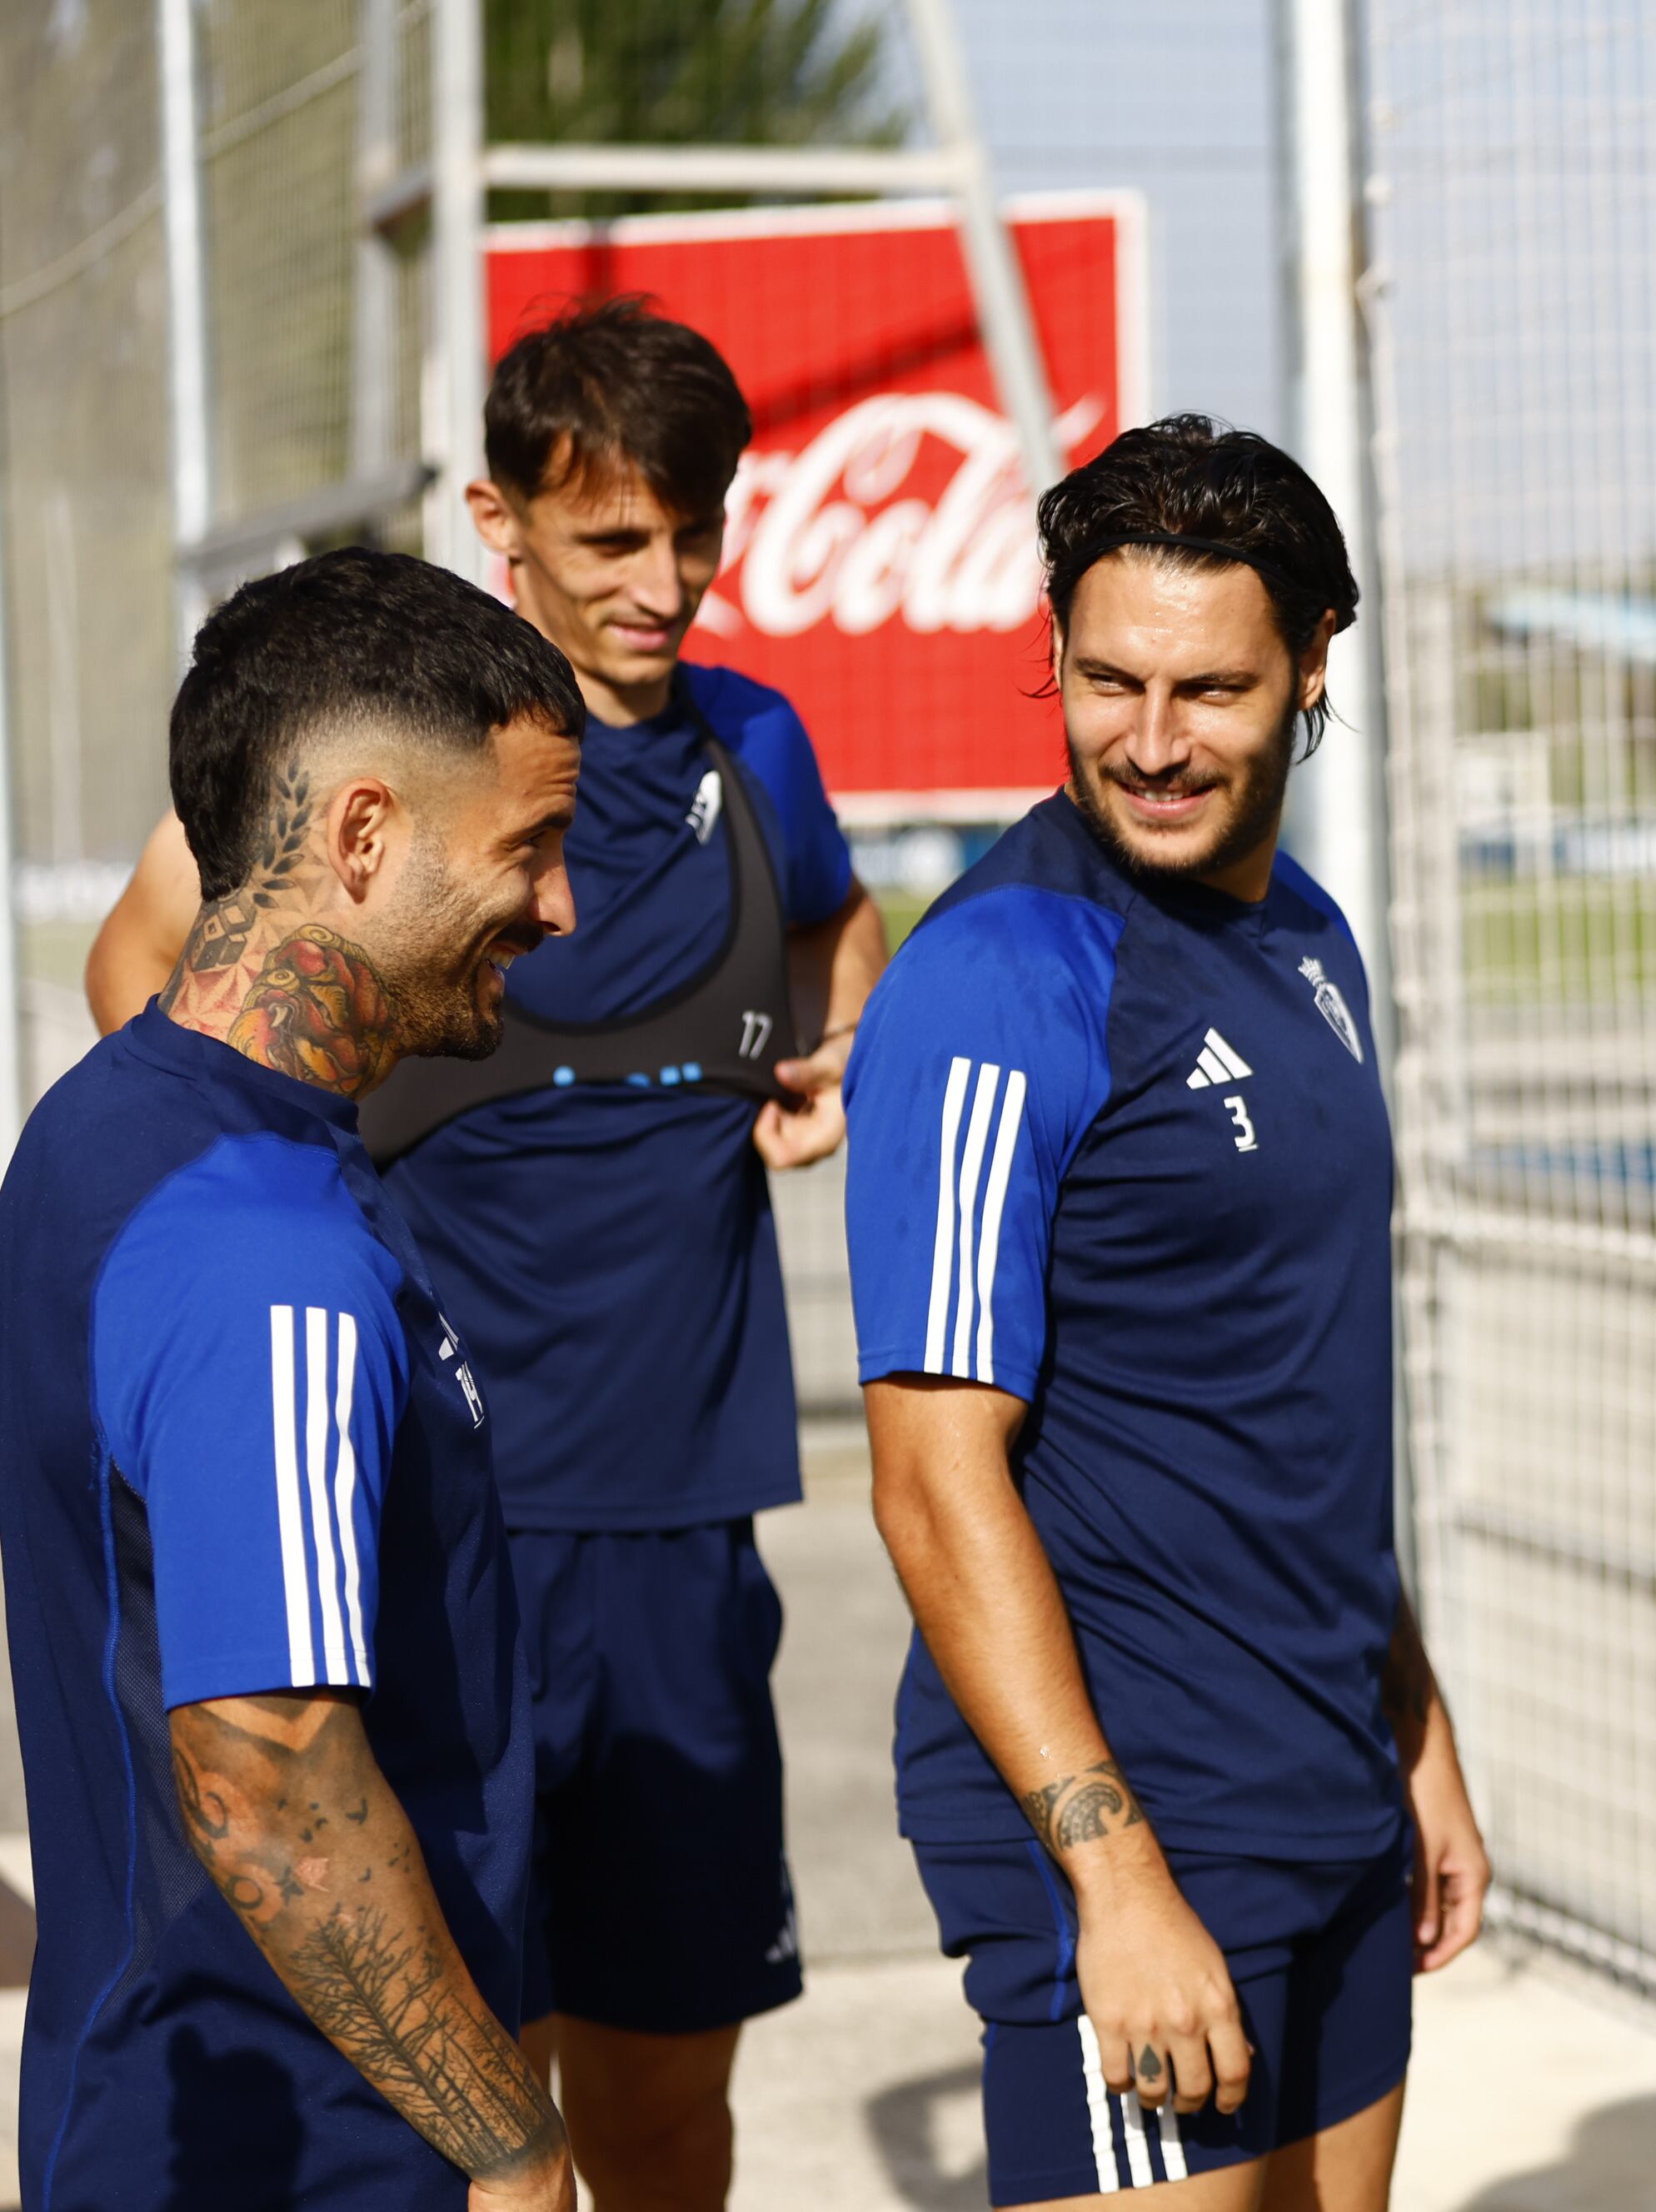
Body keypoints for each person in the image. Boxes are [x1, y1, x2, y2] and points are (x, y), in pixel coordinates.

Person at [82, 299, 887, 2211]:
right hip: (440, 1537)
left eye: (699, 531)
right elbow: (144, 973)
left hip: (683, 1532)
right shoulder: (398, 751)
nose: (667, 581)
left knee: (670, 2107)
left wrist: (814, 1064)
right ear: (497, 518)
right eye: (616, 539)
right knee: (459, 2098)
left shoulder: (757, 743)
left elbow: (837, 947)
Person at [841, 416, 1489, 2210]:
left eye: (1209, 688)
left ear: (1309, 672)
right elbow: (930, 1475)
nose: (1149, 737)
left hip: (1330, 1778)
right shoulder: (999, 977)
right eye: (1108, 678)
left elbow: (1297, 1384)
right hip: (1131, 1808)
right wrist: (1112, 1875)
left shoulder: (1312, 941)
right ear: (1049, 656)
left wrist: (1412, 1718)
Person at [0, 548, 583, 2208]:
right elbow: (266, 1782)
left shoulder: (106, 1120)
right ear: (364, 835)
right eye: (529, 848)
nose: (558, 908)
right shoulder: (269, 1255)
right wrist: (515, 2142)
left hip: (173, 2103)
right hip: (308, 2151)